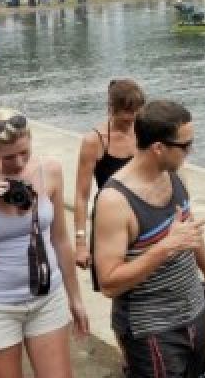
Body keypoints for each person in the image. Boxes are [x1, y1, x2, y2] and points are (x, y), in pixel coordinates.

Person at [0, 111, 89, 378]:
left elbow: (60, 240)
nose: (19, 162)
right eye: (8, 157)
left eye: (24, 152)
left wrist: (76, 299)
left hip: (46, 297)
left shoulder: (50, 171)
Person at [93, 100, 205, 378]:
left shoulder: (175, 175)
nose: (190, 151)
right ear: (158, 148)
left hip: (193, 313)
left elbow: (189, 232)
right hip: (151, 329)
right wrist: (164, 247)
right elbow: (108, 283)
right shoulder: (115, 201)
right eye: (185, 145)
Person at [73, 79, 141, 277]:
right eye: (126, 112)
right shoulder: (94, 141)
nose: (132, 117)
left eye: (136, 110)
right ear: (111, 108)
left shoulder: (144, 132)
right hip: (110, 221)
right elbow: (81, 195)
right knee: (116, 281)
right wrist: (80, 243)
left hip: (141, 218)